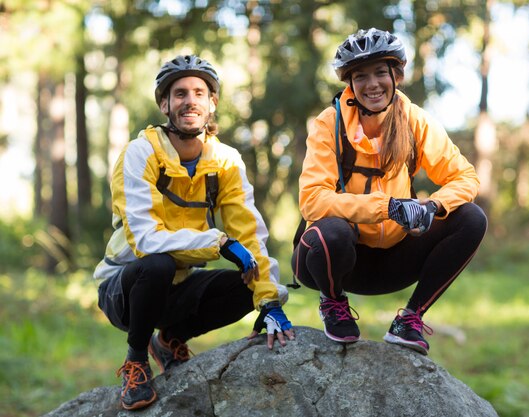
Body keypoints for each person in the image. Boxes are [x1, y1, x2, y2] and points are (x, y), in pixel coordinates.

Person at [94, 54, 295, 411]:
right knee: (157, 265)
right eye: (180, 93)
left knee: (248, 282)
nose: (191, 101)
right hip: (125, 287)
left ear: (212, 103)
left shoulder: (226, 161)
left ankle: (170, 339)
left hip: (180, 285)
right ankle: (136, 359)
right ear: (164, 104)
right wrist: (217, 243)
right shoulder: (139, 154)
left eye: (200, 93)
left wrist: (269, 299)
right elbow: (144, 240)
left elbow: (247, 231)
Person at [292, 28, 487, 355]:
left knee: (471, 218)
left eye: (381, 72)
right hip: (333, 260)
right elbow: (312, 201)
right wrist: (388, 207)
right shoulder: (329, 124)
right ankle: (333, 303)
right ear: (349, 83)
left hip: (394, 263)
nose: (372, 84)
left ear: (396, 75)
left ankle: (410, 319)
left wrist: (432, 207)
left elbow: (465, 177)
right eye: (360, 76)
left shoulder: (415, 121)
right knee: (332, 230)